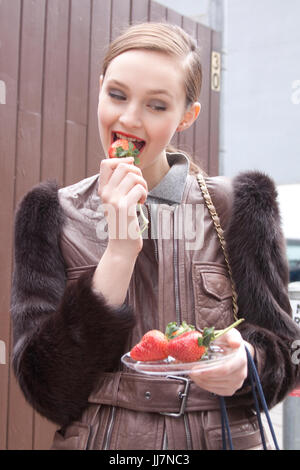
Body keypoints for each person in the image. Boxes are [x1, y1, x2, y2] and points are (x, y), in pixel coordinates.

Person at [11, 22, 300, 450]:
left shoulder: (239, 208)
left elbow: (289, 355)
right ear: (99, 88)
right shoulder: (50, 215)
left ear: (187, 115)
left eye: (157, 105)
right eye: (117, 95)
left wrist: (248, 362)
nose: (129, 118)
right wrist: (120, 253)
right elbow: (45, 387)